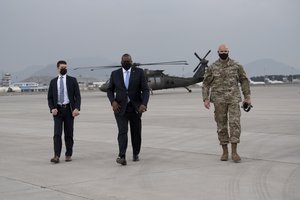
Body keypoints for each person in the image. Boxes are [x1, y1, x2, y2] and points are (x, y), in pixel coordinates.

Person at [202, 44, 251, 162]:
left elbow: (244, 80)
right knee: (221, 125)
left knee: (235, 124)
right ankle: (225, 152)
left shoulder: (236, 66)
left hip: (233, 99)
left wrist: (247, 97)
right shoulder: (212, 67)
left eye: (225, 51)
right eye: (221, 51)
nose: (223, 53)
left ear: (228, 51)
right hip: (218, 100)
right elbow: (206, 83)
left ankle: (234, 152)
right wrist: (205, 99)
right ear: (218, 52)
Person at [107, 53, 150, 166]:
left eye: (128, 61)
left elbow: (145, 90)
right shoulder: (115, 74)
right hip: (120, 108)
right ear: (121, 62)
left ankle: (136, 153)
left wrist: (144, 104)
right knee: (122, 132)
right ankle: (122, 155)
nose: (126, 63)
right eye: (124, 61)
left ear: (131, 62)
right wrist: (113, 101)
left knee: (136, 132)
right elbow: (110, 90)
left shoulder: (139, 72)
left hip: (135, 107)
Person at [47, 60, 81, 163]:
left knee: (69, 134)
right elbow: (50, 97)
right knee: (57, 134)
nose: (64, 69)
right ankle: (56, 155)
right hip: (58, 111)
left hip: (69, 110)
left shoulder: (72, 80)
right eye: (62, 68)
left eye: (65, 67)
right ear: (58, 68)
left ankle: (68, 154)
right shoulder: (53, 82)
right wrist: (52, 108)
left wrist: (76, 108)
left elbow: (77, 96)